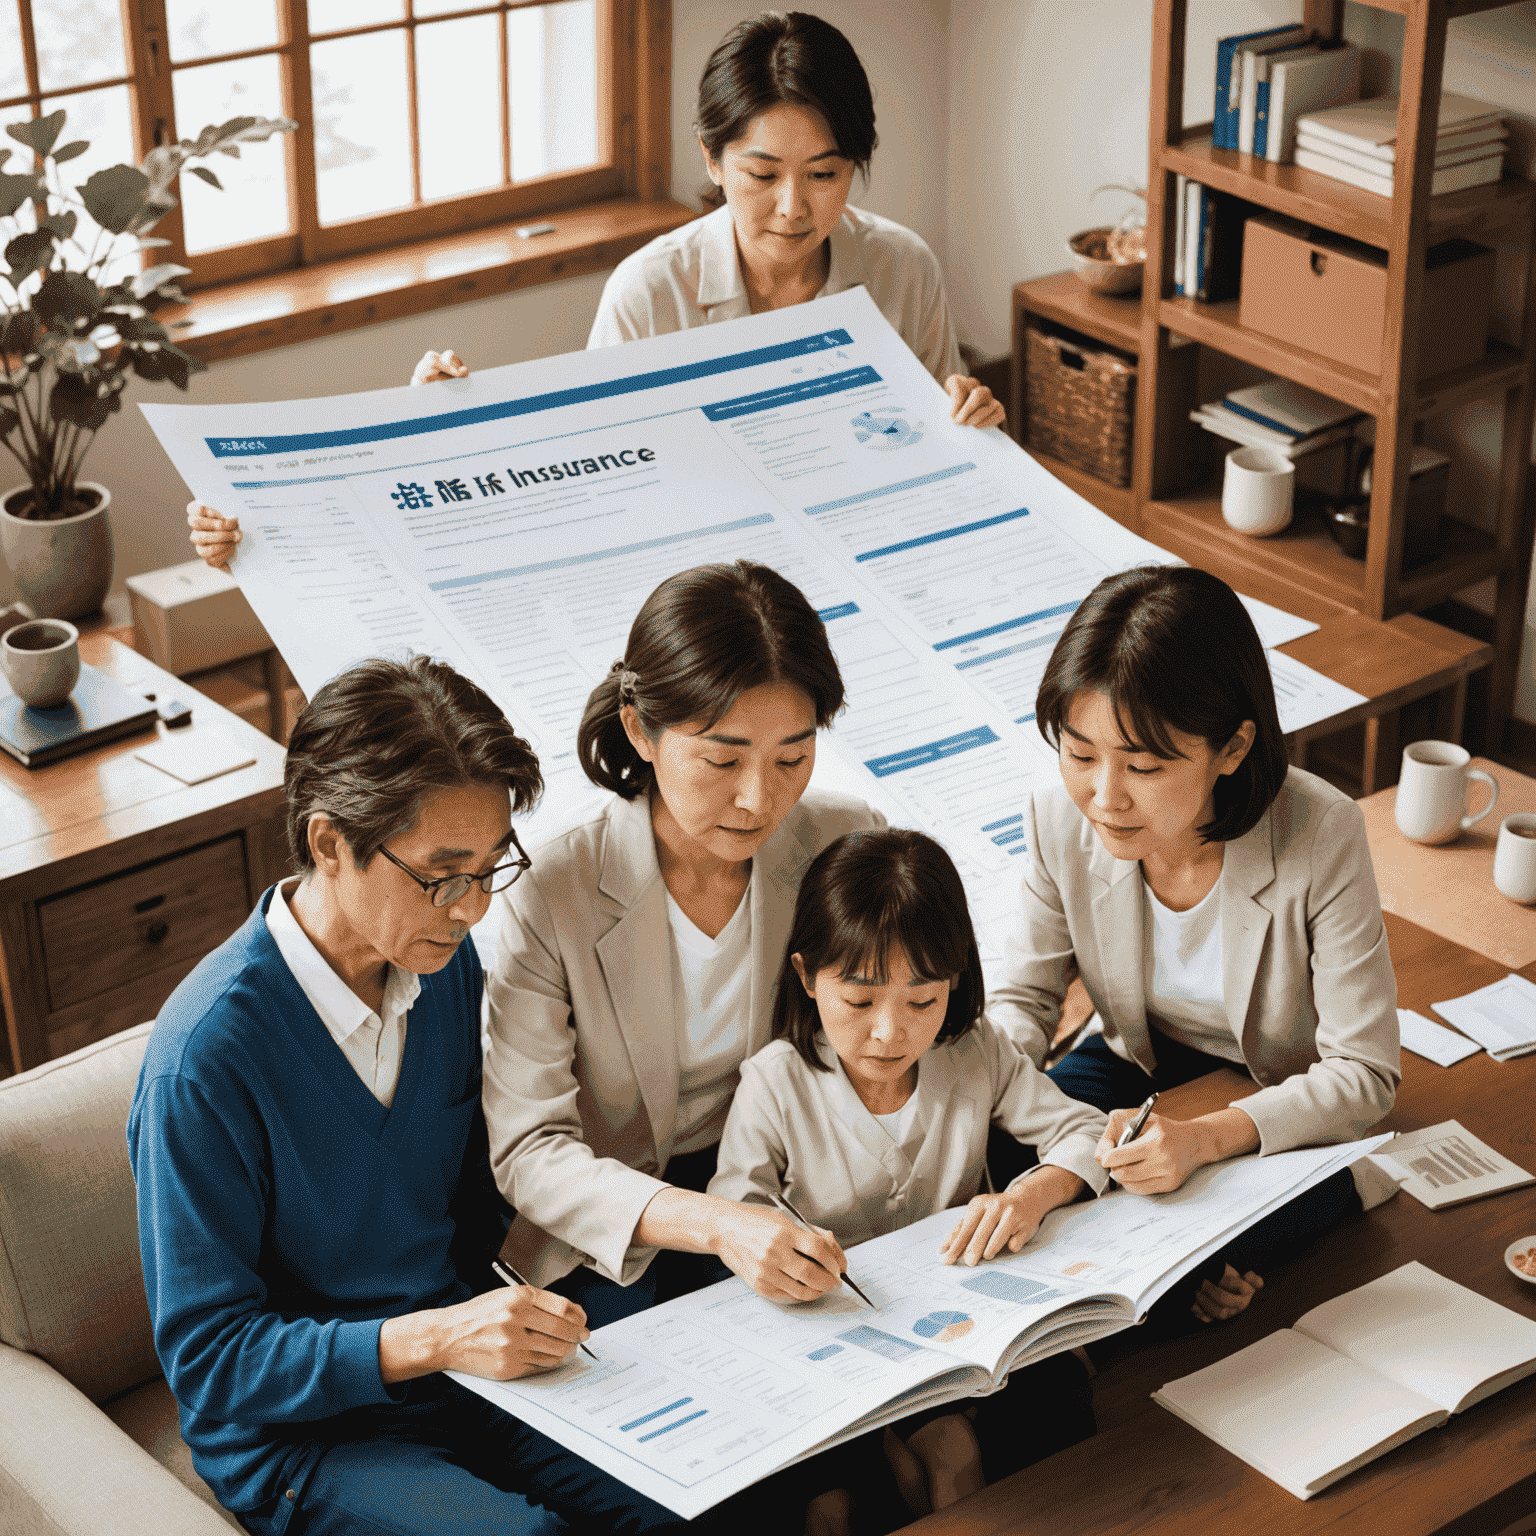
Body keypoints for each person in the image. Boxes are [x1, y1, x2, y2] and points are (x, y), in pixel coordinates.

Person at [125, 656, 777, 1536]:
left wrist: (564, 1313)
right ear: (328, 843)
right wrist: (432, 1338)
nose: (472, 909)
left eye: (489, 867)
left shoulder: (441, 967)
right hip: (313, 1437)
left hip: (464, 1369)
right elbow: (210, 1362)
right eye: (441, 875)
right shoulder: (205, 1061)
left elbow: (472, 1198)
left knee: (710, 1478)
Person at [185, 13, 1001, 574]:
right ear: (712, 161)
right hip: (704, 573)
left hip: (863, 546)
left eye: (825, 175)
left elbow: (935, 452)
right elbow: (591, 478)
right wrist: (439, 434)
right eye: (762, 174)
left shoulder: (902, 265)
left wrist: (972, 428)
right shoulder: (650, 291)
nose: (794, 208)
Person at [988, 564, 1400, 1328]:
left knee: (1200, 1240)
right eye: (1080, 755)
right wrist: (982, 1092)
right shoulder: (1058, 817)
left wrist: (1208, 1139)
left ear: (1234, 747)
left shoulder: (1321, 831)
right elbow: (1025, 1000)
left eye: (1143, 766)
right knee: (993, 1151)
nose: (1105, 797)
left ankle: (1175, 1286)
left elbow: (1366, 1074)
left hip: (1279, 1090)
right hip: (1138, 1059)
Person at [482, 560, 883, 1328]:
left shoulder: (845, 840)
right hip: (624, 1222)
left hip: (800, 1194)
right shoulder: (557, 889)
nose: (758, 798)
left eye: (792, 758)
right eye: (722, 759)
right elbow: (532, 1150)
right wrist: (718, 1223)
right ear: (642, 729)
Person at [709, 827, 1104, 1530]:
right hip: (826, 1339)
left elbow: (1083, 1134)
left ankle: (911, 1433)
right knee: (830, 1507)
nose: (889, 1034)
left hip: (954, 1325)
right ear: (806, 976)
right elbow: (735, 1211)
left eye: (922, 1002)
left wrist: (1031, 1193)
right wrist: (776, 1250)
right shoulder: (777, 1083)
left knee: (963, 1452)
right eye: (858, 1002)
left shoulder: (977, 1052)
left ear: (956, 981)